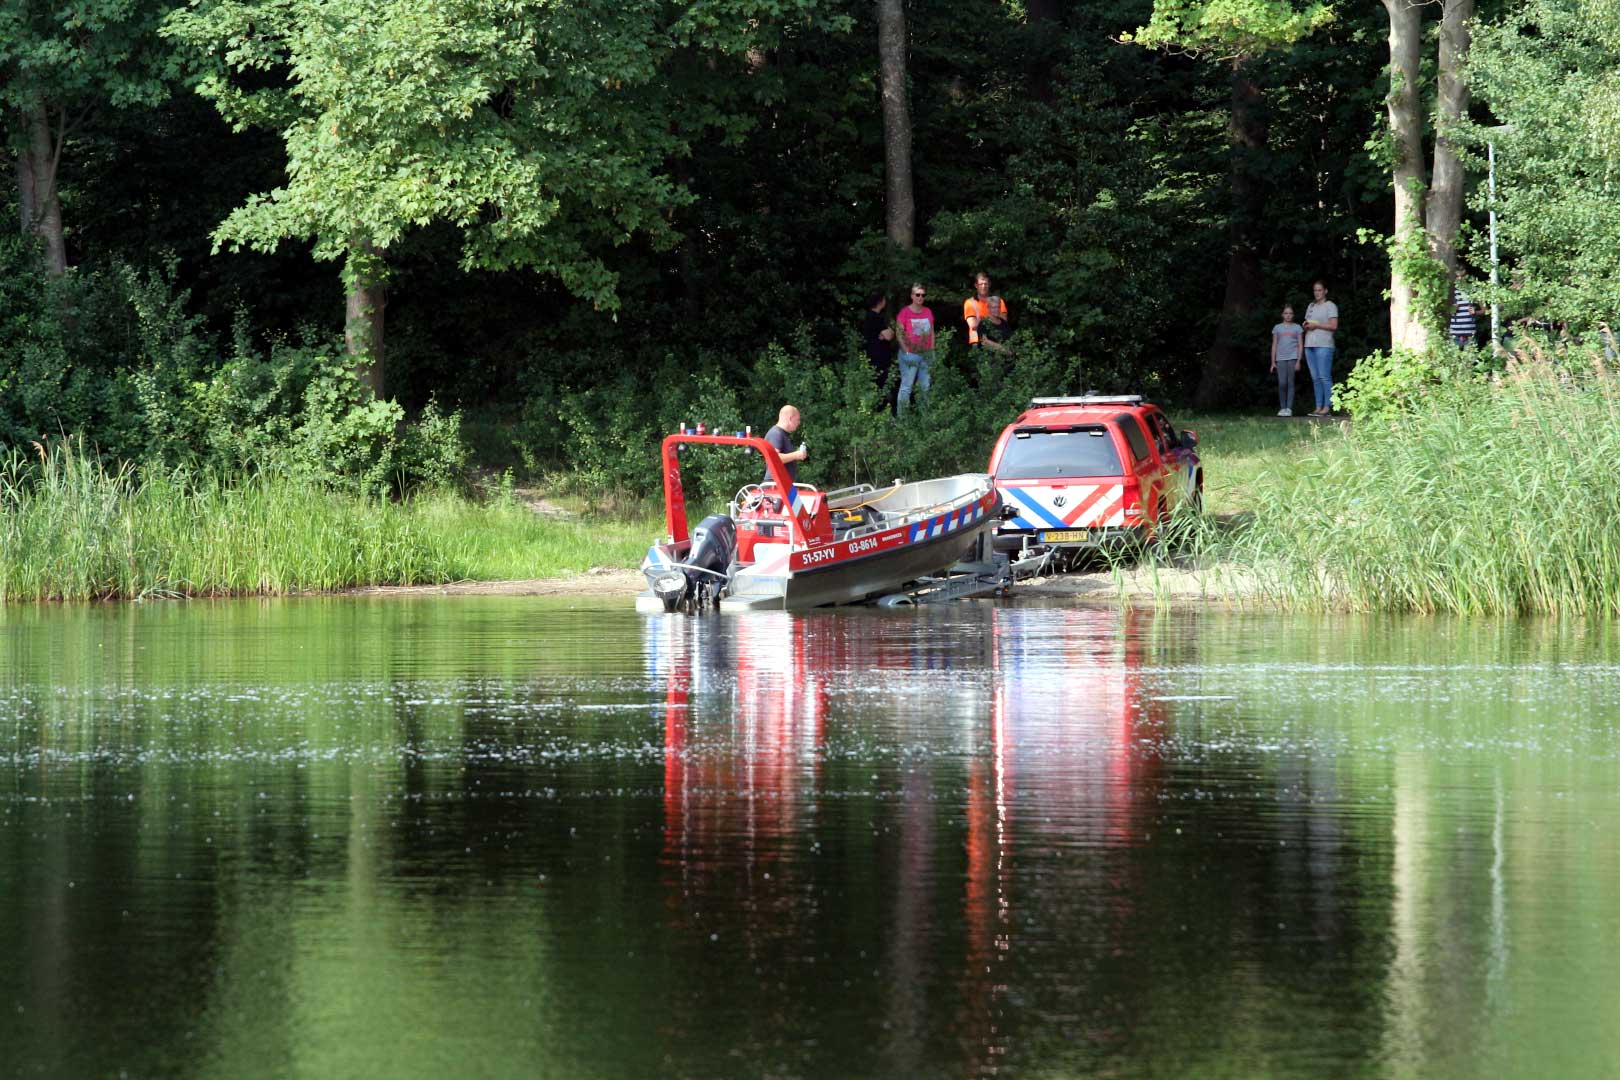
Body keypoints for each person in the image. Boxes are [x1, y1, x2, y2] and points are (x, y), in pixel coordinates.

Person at [895, 283, 935, 413]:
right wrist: (906, 351)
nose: (920, 297)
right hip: (910, 354)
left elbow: (932, 332)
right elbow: (899, 333)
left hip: (926, 354)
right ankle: (903, 420)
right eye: (917, 294)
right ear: (912, 296)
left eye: (923, 295)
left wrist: (932, 350)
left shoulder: (928, 311)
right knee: (907, 387)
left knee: (925, 387)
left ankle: (924, 420)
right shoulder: (904, 312)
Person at [1302, 280, 1339, 416]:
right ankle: (1318, 407)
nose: (1317, 293)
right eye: (1315, 290)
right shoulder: (1311, 306)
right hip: (1309, 345)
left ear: (1325, 291)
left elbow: (1334, 326)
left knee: (1324, 377)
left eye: (1319, 290)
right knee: (1315, 377)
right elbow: (1308, 323)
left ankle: (1327, 407)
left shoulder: (1330, 306)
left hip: (1324, 345)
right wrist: (1306, 325)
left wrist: (1316, 326)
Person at [1269, 304, 1303, 417]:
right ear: (1282, 315)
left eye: (1290, 313)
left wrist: (1299, 361)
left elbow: (1300, 345)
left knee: (1290, 382)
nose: (1288, 315)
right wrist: (1273, 362)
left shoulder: (1297, 327)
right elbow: (1274, 345)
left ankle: (1289, 408)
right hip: (1280, 358)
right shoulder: (1277, 328)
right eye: (1286, 313)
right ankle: (1282, 408)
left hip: (1293, 358)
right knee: (1282, 383)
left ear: (1293, 315)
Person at [860, 291, 896, 396]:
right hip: (879, 356)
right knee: (881, 381)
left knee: (876, 381)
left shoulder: (869, 317)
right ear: (880, 302)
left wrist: (887, 333)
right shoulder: (876, 318)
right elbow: (889, 336)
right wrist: (889, 332)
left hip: (872, 354)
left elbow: (887, 334)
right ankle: (882, 407)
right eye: (884, 299)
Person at [763, 404, 808, 485]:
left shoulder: (782, 434)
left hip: (783, 484)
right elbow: (773, 459)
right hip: (775, 485)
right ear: (790, 418)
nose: (799, 423)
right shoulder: (776, 433)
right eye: (798, 419)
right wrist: (796, 455)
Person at [963, 272, 1010, 349]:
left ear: (989, 285)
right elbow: (973, 325)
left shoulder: (999, 301)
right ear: (976, 286)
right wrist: (992, 317)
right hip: (978, 342)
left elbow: (1004, 321)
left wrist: (981, 319)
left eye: (986, 284)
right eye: (981, 284)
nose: (983, 286)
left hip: (999, 341)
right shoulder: (970, 302)